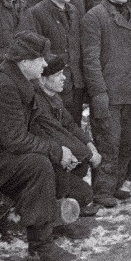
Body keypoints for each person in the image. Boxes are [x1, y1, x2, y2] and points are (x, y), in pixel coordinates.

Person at [0, 31, 81, 261]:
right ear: (24, 61)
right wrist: (56, 151)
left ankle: (49, 223)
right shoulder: (4, 86)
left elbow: (34, 128)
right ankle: (40, 248)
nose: (45, 64)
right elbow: (16, 140)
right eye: (40, 59)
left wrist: (66, 150)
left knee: (48, 160)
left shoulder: (17, 81)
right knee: (38, 165)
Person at [81, 0, 131, 208]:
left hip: (129, 92)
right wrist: (98, 93)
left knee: (127, 142)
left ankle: (116, 185)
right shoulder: (95, 17)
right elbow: (90, 60)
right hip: (108, 92)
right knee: (108, 142)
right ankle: (102, 190)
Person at [32, 55, 103, 229]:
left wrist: (89, 144)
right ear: (42, 79)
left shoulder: (54, 97)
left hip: (58, 157)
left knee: (82, 169)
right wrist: (88, 154)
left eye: (63, 73)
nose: (64, 78)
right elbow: (56, 134)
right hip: (46, 159)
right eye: (57, 75)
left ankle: (65, 200)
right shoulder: (38, 102)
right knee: (85, 194)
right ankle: (56, 212)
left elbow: (70, 125)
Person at [19, 0, 87, 125]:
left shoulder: (74, 11)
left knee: (74, 127)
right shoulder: (36, 13)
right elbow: (33, 51)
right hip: (50, 87)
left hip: (75, 85)